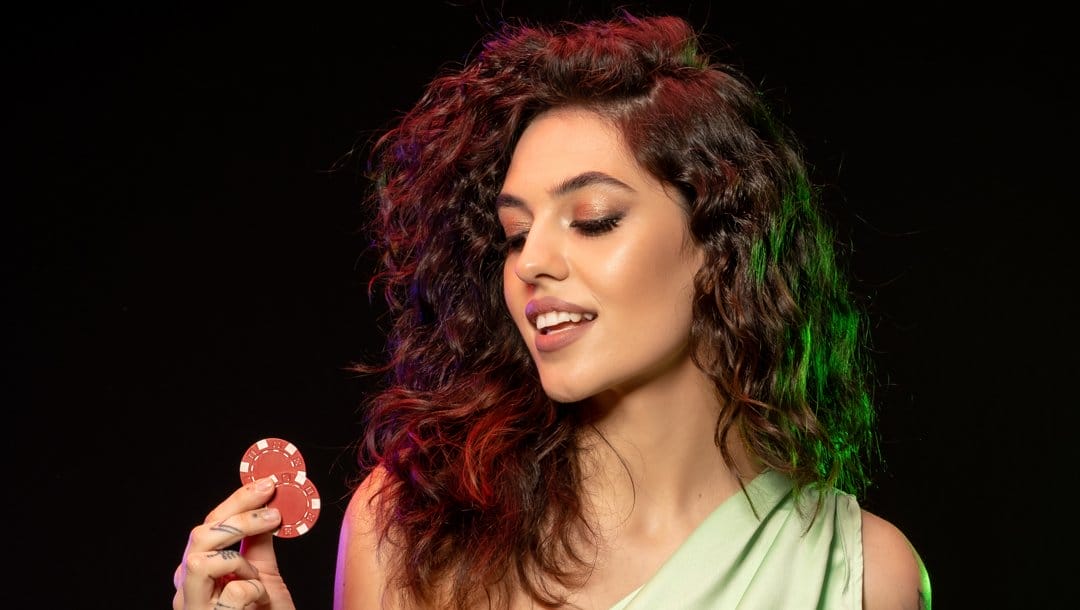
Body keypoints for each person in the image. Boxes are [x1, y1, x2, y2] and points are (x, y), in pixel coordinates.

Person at [173, 12, 931, 610]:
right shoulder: (413, 526)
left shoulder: (863, 575)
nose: (532, 261)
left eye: (593, 217)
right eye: (514, 233)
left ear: (720, 241)